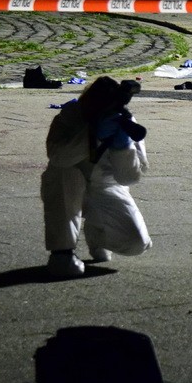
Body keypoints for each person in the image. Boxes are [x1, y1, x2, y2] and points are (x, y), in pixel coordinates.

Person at [40, 76, 152, 278]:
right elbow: (58, 156)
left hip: (105, 187)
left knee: (136, 243)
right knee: (64, 174)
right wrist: (91, 136)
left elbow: (130, 178)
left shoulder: (125, 121)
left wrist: (123, 147)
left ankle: (98, 234)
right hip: (69, 182)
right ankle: (62, 253)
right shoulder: (70, 116)